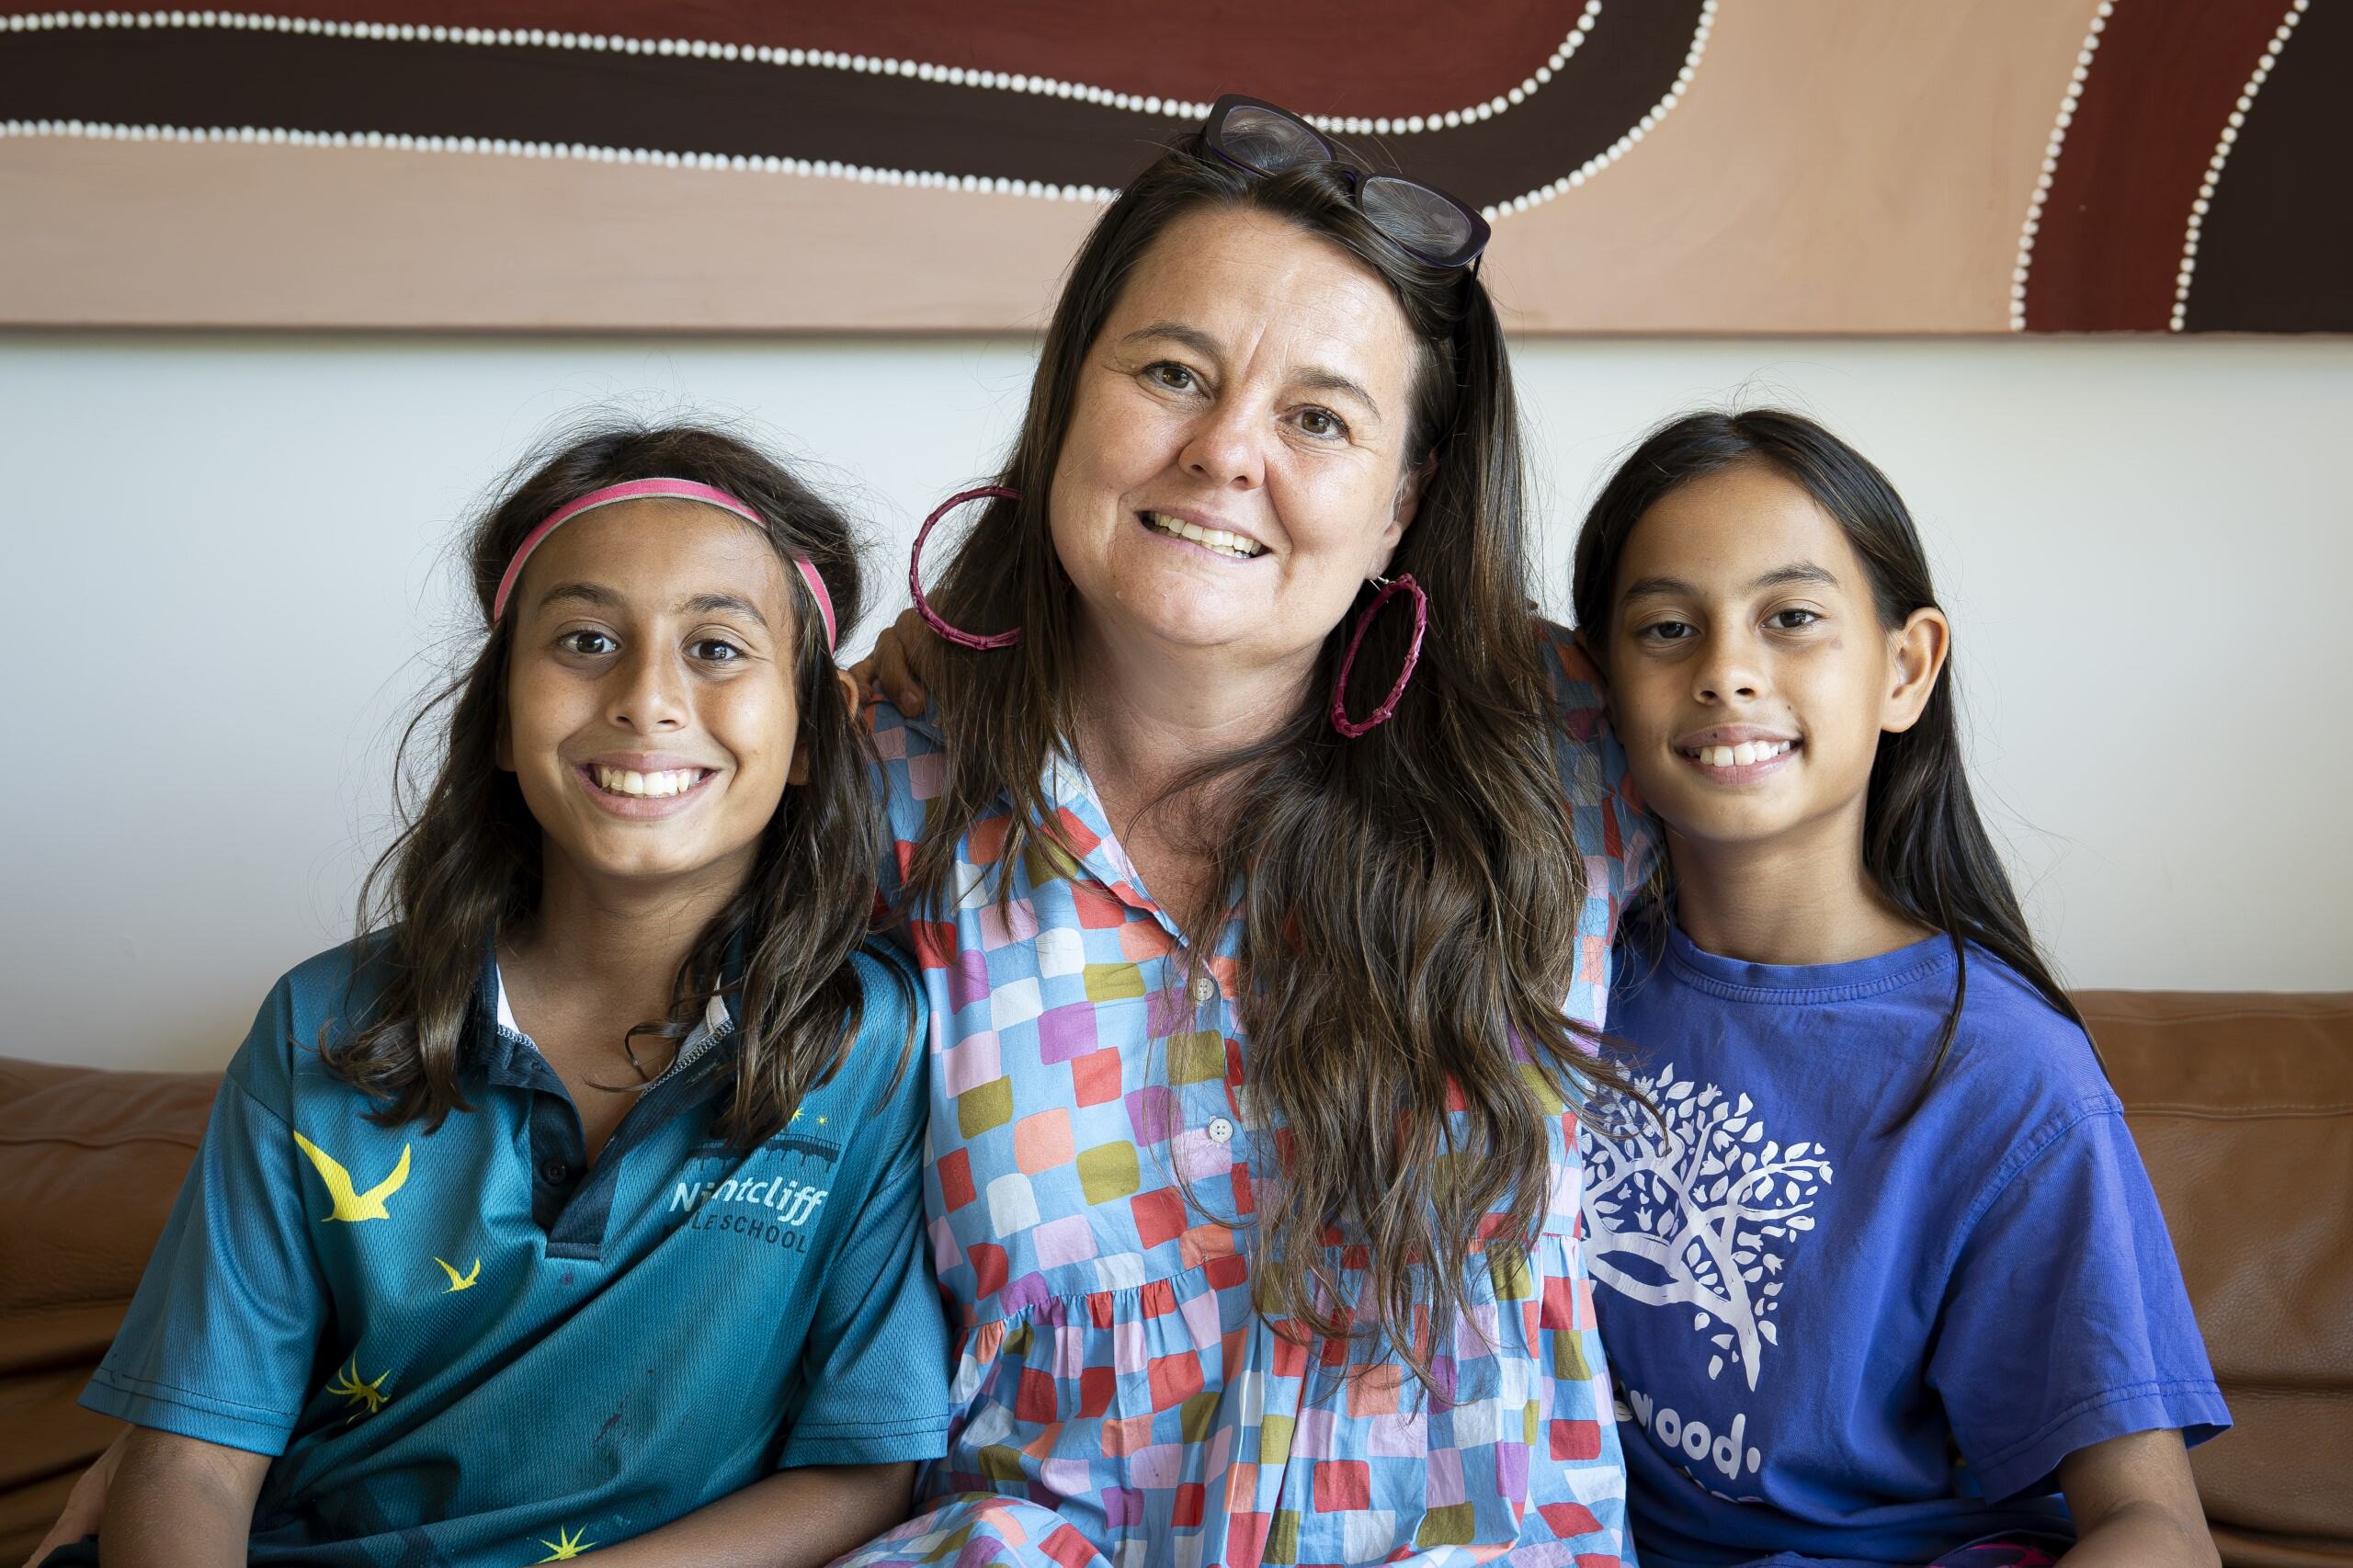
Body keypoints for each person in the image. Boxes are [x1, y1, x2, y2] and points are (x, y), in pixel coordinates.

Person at [839, 97, 1652, 1565]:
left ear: (1402, 504)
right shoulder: (878, 786)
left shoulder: (1574, 749)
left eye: (1318, 419)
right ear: (1067, 405)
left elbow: (1840, 790)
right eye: (1171, 372)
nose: (1224, 453)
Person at [28, 425, 947, 1568]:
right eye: (587, 639)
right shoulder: (323, 1025)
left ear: (810, 733)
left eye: (717, 647)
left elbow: (862, 1467)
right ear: (504, 718)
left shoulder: (872, 1045)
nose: (647, 697)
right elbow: (193, 1456)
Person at [1567, 410, 2228, 1567]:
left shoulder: (2002, 1071)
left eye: (1792, 618)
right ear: (1599, 685)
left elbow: (2154, 1527)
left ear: (1906, 667)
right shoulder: (1551, 989)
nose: (1725, 670)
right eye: (1667, 627)